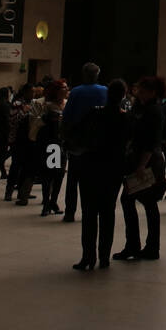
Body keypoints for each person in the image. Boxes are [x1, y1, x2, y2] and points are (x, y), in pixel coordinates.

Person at [72, 80, 132, 270]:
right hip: (113, 169)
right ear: (124, 95)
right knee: (107, 213)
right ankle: (104, 257)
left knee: (89, 213)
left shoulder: (94, 114)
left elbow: (78, 135)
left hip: (90, 166)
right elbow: (129, 144)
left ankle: (87, 257)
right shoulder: (125, 119)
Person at [115, 76, 166, 259]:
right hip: (142, 160)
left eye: (143, 89)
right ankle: (145, 246)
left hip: (146, 162)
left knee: (136, 201)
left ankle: (139, 246)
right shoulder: (143, 108)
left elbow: (150, 142)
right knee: (144, 203)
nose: (139, 92)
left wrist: (142, 165)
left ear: (152, 92)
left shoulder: (153, 111)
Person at [61, 63, 107, 223]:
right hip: (98, 144)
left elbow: (66, 117)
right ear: (97, 74)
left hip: (78, 143)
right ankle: (93, 210)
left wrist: (65, 138)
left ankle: (69, 212)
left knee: (73, 179)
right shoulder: (104, 91)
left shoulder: (76, 92)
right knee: (96, 179)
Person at [36, 82, 66, 215]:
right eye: (63, 88)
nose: (66, 90)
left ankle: (53, 201)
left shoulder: (67, 103)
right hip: (52, 143)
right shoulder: (47, 105)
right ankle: (46, 202)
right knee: (49, 174)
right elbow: (39, 123)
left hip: (63, 142)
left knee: (59, 174)